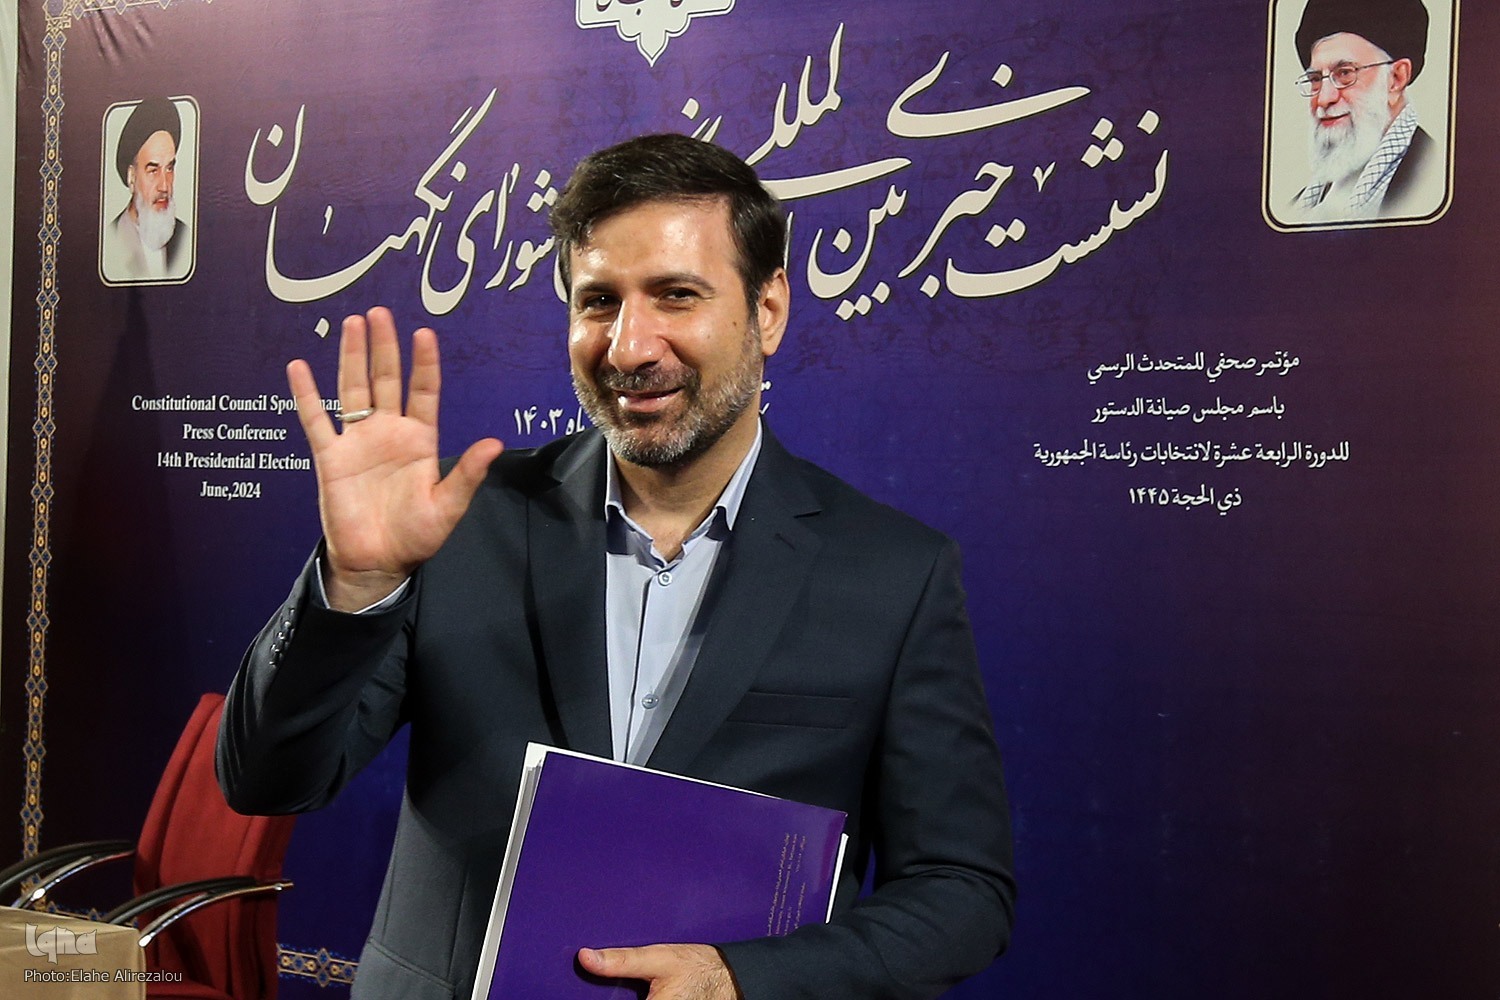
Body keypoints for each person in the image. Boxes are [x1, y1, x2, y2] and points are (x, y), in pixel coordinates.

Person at [217, 133, 1015, 1000]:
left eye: (676, 295)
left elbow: (961, 892)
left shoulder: (895, 574)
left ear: (768, 309)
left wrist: (741, 980)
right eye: (599, 301)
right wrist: (359, 585)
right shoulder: (460, 523)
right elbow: (267, 781)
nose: (630, 347)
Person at [1290, 0, 1438, 220]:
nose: (1324, 98)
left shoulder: (1433, 177)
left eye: (1345, 73)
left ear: (1396, 79)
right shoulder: (1300, 207)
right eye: (1315, 79)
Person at [102, 97, 192, 281]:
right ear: (132, 177)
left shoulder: (185, 237)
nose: (165, 186)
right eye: (153, 171)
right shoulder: (111, 240)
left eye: (169, 169)